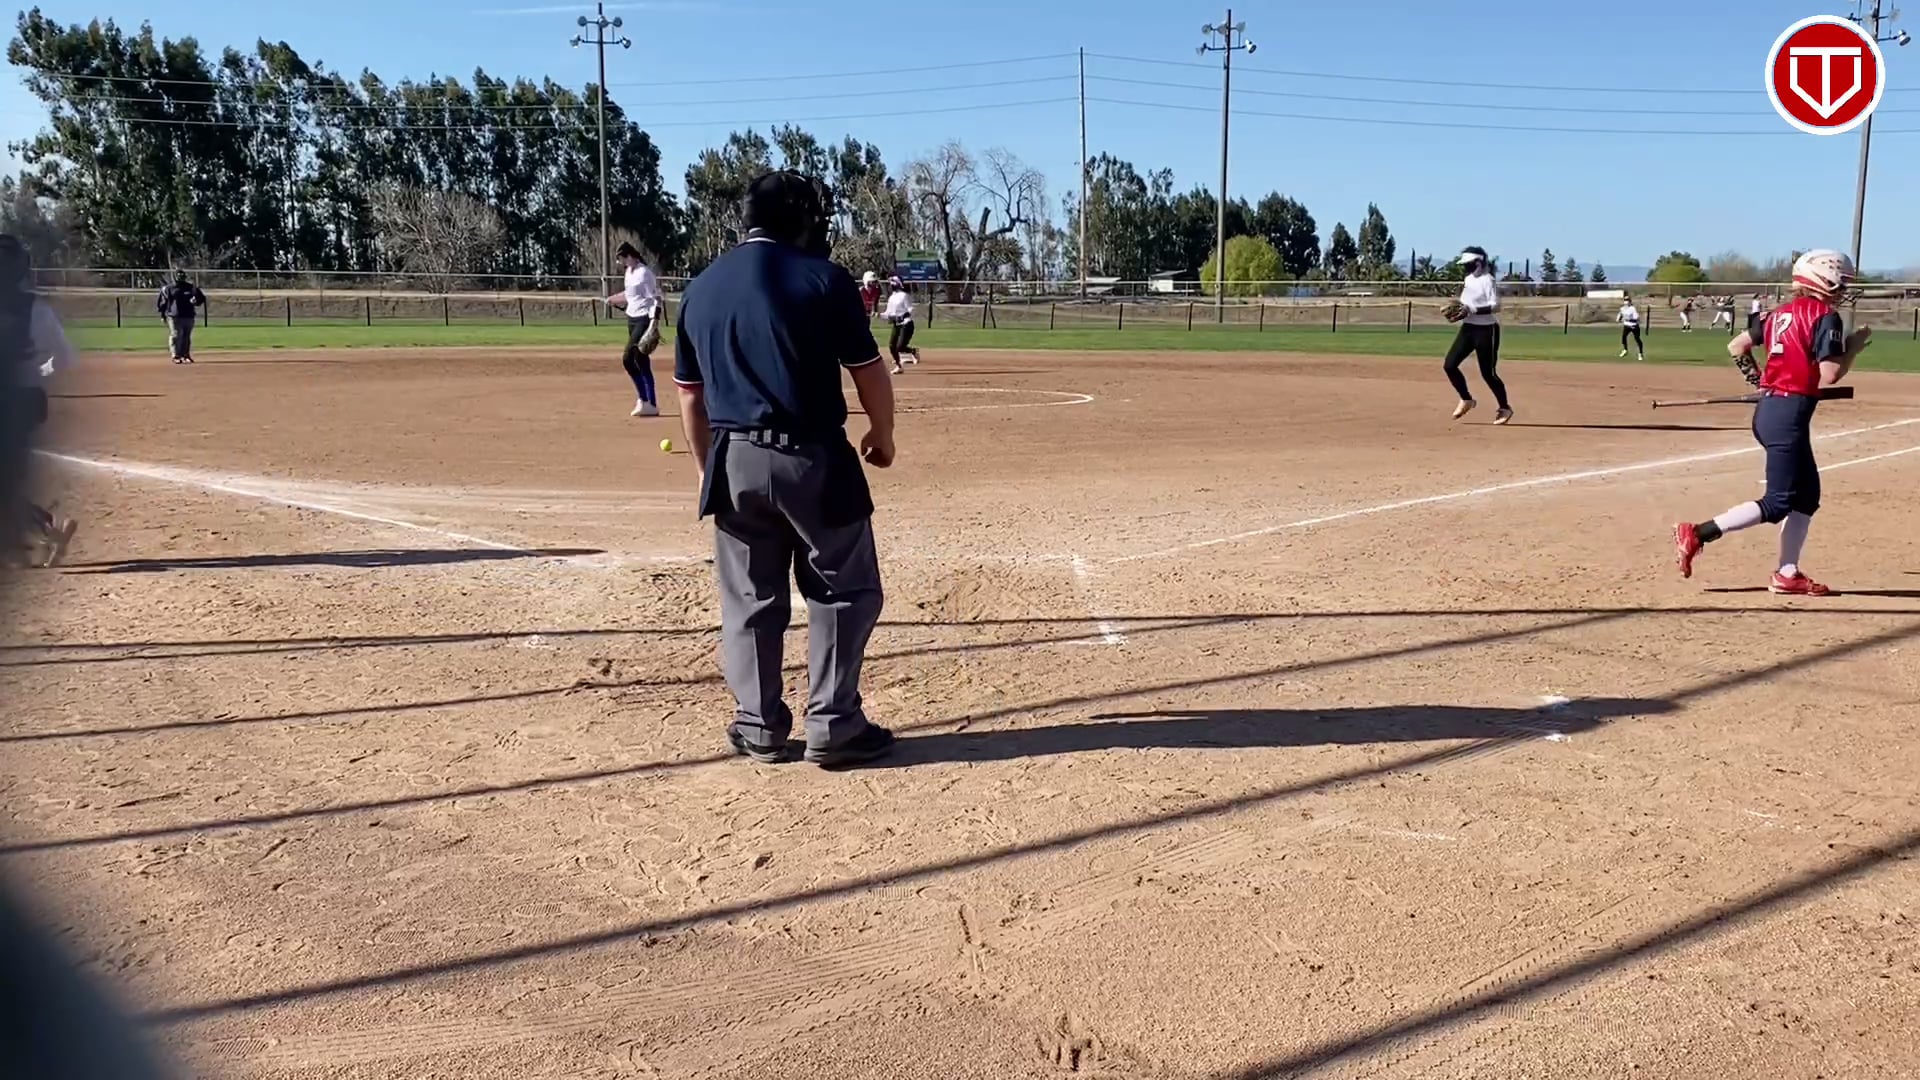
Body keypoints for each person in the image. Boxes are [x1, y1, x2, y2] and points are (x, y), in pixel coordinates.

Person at [672, 171, 899, 769]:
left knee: (750, 597)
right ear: (800, 219)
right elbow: (869, 371)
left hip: (733, 459)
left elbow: (690, 396)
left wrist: (706, 469)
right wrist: (882, 434)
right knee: (843, 589)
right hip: (812, 458)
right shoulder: (824, 279)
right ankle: (834, 724)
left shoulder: (700, 287)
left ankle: (759, 725)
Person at [1673, 250, 1871, 596]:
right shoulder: (1825, 317)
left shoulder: (1776, 313)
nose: (1842, 290)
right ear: (1823, 279)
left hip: (1775, 411)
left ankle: (1787, 573)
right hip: (1787, 416)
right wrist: (1851, 348)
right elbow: (1830, 374)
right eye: (1840, 282)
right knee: (1778, 502)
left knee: (1806, 496)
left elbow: (1737, 346)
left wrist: (1761, 382)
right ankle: (1697, 533)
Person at [0, 236, 77, 568]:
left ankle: (39, 531)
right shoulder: (35, 309)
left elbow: (62, 358)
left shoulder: (35, 310)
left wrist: (35, 371)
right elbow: (63, 358)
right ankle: (42, 530)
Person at [1442, 246, 1513, 425]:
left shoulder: (1488, 280)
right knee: (1449, 365)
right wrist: (1458, 309)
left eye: (1468, 264)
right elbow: (1465, 305)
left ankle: (1505, 408)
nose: (1465, 267)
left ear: (1478, 262)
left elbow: (1496, 306)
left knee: (1488, 373)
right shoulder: (1468, 279)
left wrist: (1472, 310)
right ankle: (1466, 399)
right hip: (1468, 329)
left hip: (1487, 330)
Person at [606, 242, 663, 417]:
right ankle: (650, 404)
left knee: (628, 358)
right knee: (641, 360)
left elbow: (656, 297)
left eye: (621, 259)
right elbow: (630, 295)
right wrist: (613, 299)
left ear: (630, 256)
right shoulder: (629, 273)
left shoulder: (644, 273)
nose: (620, 262)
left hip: (644, 319)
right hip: (631, 318)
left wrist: (654, 322)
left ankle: (644, 399)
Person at [155, 271, 205, 364]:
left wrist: (196, 301)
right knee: (176, 335)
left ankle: (185, 355)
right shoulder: (169, 288)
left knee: (186, 336)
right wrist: (162, 315)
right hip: (174, 315)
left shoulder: (191, 288)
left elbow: (201, 298)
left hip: (188, 315)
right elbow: (163, 302)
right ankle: (176, 355)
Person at [881, 276, 921, 375]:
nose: (890, 286)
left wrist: (902, 316)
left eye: (891, 284)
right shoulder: (891, 297)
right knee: (892, 346)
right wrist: (879, 315)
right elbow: (888, 313)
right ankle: (899, 366)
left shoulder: (904, 296)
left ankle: (913, 351)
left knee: (900, 347)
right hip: (897, 325)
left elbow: (911, 309)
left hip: (906, 324)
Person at [1617, 294, 1645, 360]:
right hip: (1627, 325)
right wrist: (1619, 318)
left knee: (1637, 339)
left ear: (1630, 301)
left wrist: (1627, 319)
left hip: (1634, 326)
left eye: (1627, 300)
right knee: (1623, 337)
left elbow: (1636, 318)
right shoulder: (1622, 308)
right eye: (1625, 300)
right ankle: (1625, 350)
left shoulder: (1632, 309)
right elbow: (1620, 314)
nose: (1626, 301)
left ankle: (1640, 354)